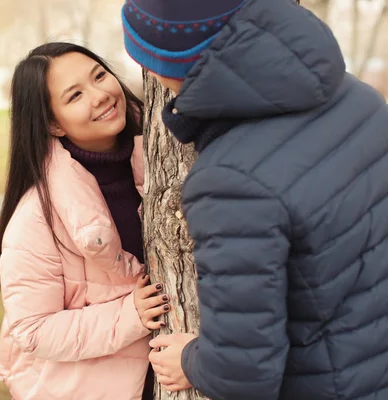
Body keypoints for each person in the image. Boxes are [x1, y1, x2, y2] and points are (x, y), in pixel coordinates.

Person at [121, 0, 388, 399]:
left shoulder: (230, 179)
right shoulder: (358, 98)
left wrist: (191, 359)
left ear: (160, 66)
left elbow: (242, 372)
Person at [0, 42, 171, 400]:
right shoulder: (37, 216)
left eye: (99, 76)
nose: (101, 95)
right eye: (75, 96)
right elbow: (32, 330)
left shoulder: (162, 157)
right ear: (53, 125)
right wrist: (129, 315)